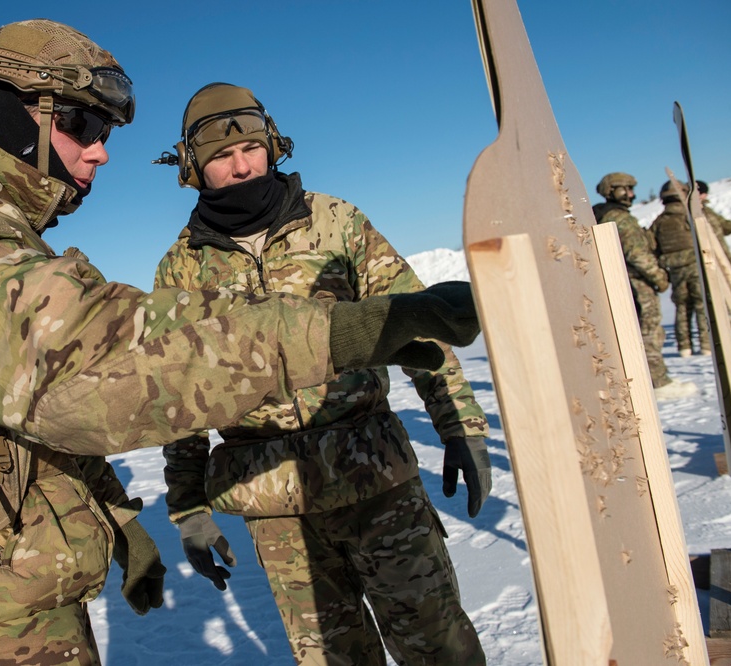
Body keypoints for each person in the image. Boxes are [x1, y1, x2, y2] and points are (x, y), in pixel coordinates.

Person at [0, 20, 483, 665]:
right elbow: (96, 370)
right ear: (17, 114)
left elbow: (4, 418)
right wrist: (337, 335)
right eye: (83, 123)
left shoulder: (336, 222)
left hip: (7, 585)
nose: (102, 150)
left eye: (250, 148)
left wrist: (115, 516)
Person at [152, 83, 490, 665]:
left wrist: (460, 424)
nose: (240, 166)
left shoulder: (336, 224)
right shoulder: (181, 269)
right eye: (220, 158)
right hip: (275, 503)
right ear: (192, 168)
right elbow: (180, 394)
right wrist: (188, 507)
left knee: (439, 644)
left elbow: (418, 321)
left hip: (377, 480)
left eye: (251, 150)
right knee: (332, 658)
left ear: (272, 145)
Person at [592, 172, 697, 401]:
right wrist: (659, 277)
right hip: (637, 283)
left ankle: (655, 377)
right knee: (650, 331)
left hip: (625, 281)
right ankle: (657, 383)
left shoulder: (605, 214)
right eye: (627, 189)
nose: (631, 194)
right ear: (613, 190)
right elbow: (637, 254)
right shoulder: (619, 218)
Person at [650, 180, 707, 356]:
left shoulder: (659, 222)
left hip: (675, 270)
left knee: (681, 307)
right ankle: (706, 344)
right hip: (696, 266)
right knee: (701, 304)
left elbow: (652, 246)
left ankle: (684, 346)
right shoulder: (691, 216)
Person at [696, 179, 731, 269]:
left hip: (722, 258)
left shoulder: (706, 211)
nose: (706, 196)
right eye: (704, 193)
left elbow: (724, 225)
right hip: (710, 261)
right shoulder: (691, 213)